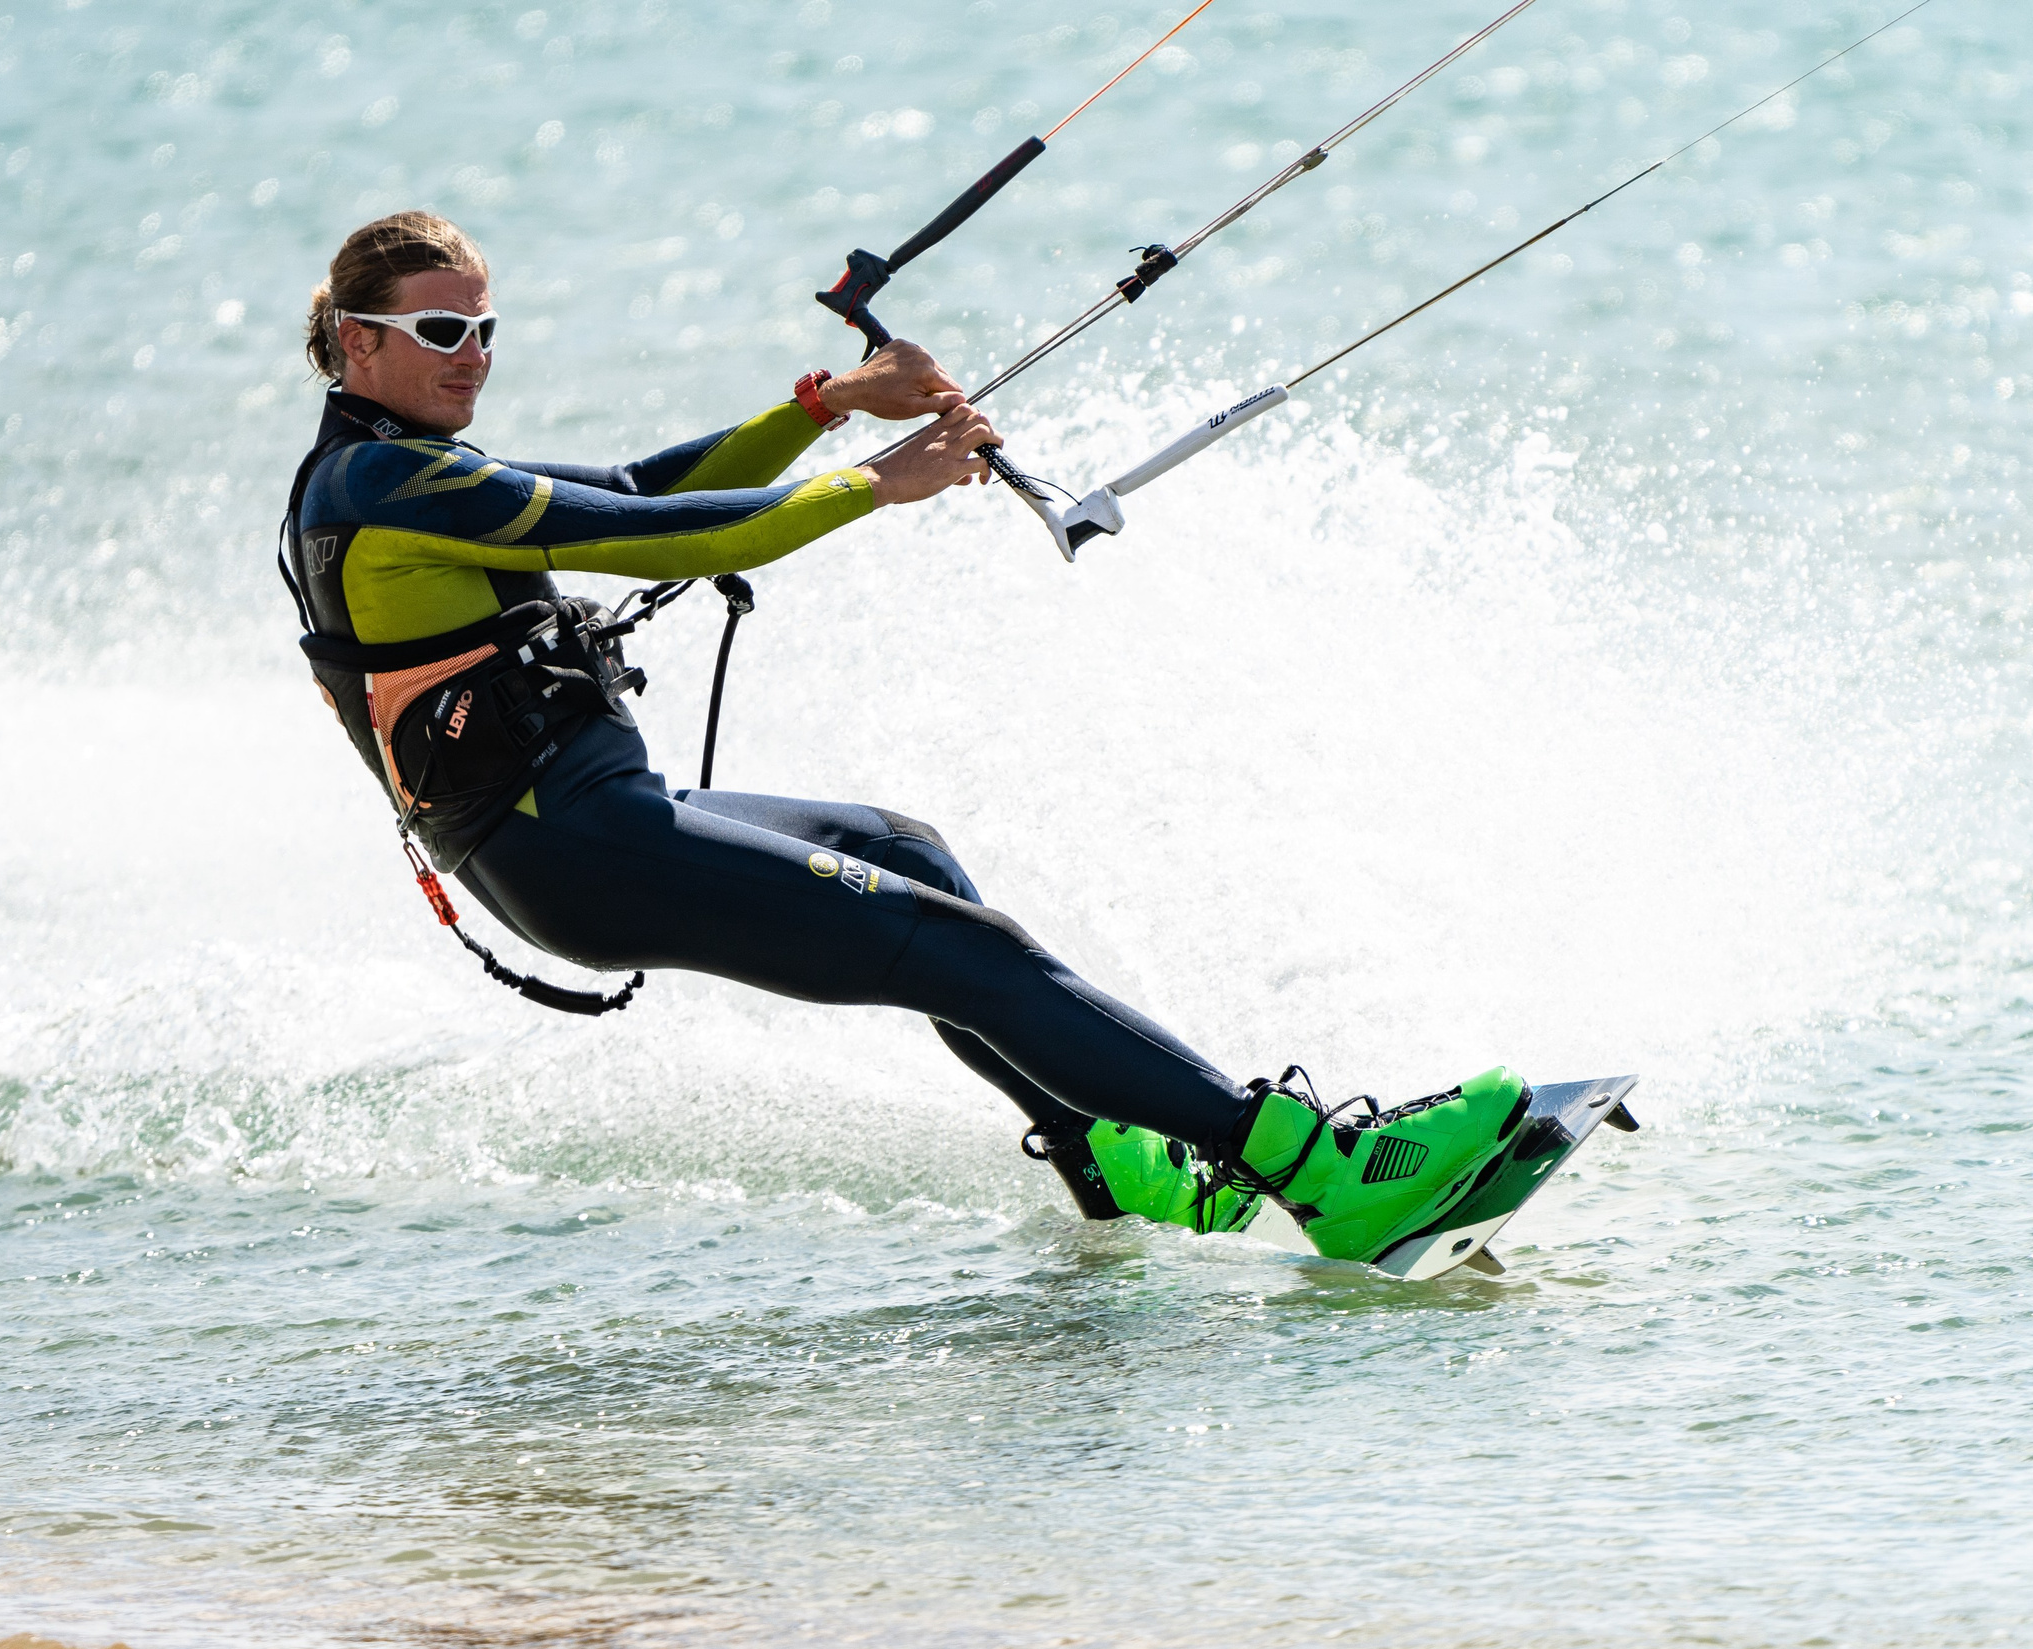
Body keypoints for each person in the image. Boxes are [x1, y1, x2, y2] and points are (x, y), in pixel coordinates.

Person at [280, 210, 1527, 1267]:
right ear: (356, 341)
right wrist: (884, 476)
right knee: (966, 956)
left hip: (593, 819)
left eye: (484, 329)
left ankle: (1112, 1167)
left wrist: (828, 403)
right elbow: (680, 539)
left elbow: (636, 483)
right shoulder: (383, 489)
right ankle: (1320, 1171)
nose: (473, 356)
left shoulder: (392, 463)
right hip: (576, 847)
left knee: (905, 853)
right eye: (443, 331)